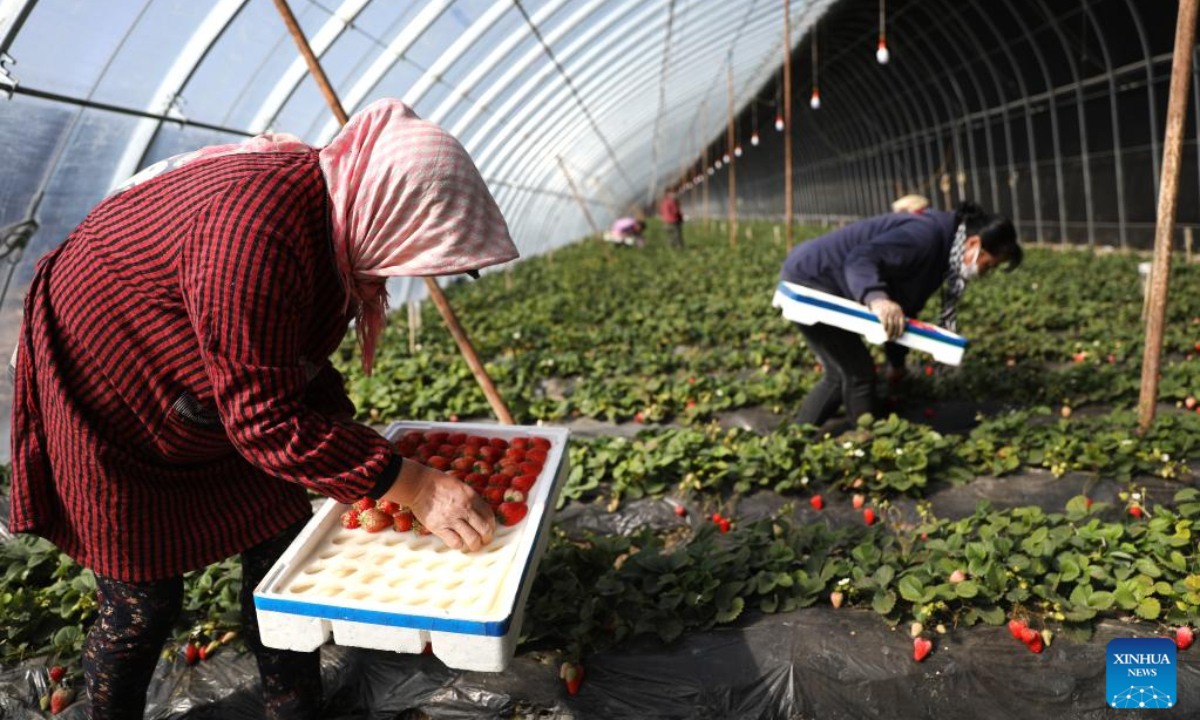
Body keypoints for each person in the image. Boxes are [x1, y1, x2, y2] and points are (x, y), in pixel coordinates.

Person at [8, 99, 518, 720]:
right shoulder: (257, 232)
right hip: (110, 390)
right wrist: (408, 483)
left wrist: (360, 454)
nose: (402, 271)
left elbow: (290, 360)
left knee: (280, 543)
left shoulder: (330, 220)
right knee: (143, 600)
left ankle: (294, 707)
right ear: (391, 209)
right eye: (416, 248)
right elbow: (265, 421)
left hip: (213, 383)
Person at [779, 201, 1021, 427]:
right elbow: (861, 259)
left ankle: (800, 438)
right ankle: (863, 441)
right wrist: (877, 299)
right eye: (988, 265)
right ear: (973, 244)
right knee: (857, 374)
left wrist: (897, 363)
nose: (985, 272)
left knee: (841, 372)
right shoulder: (925, 236)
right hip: (812, 278)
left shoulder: (942, 249)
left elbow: (905, 306)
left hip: (815, 275)